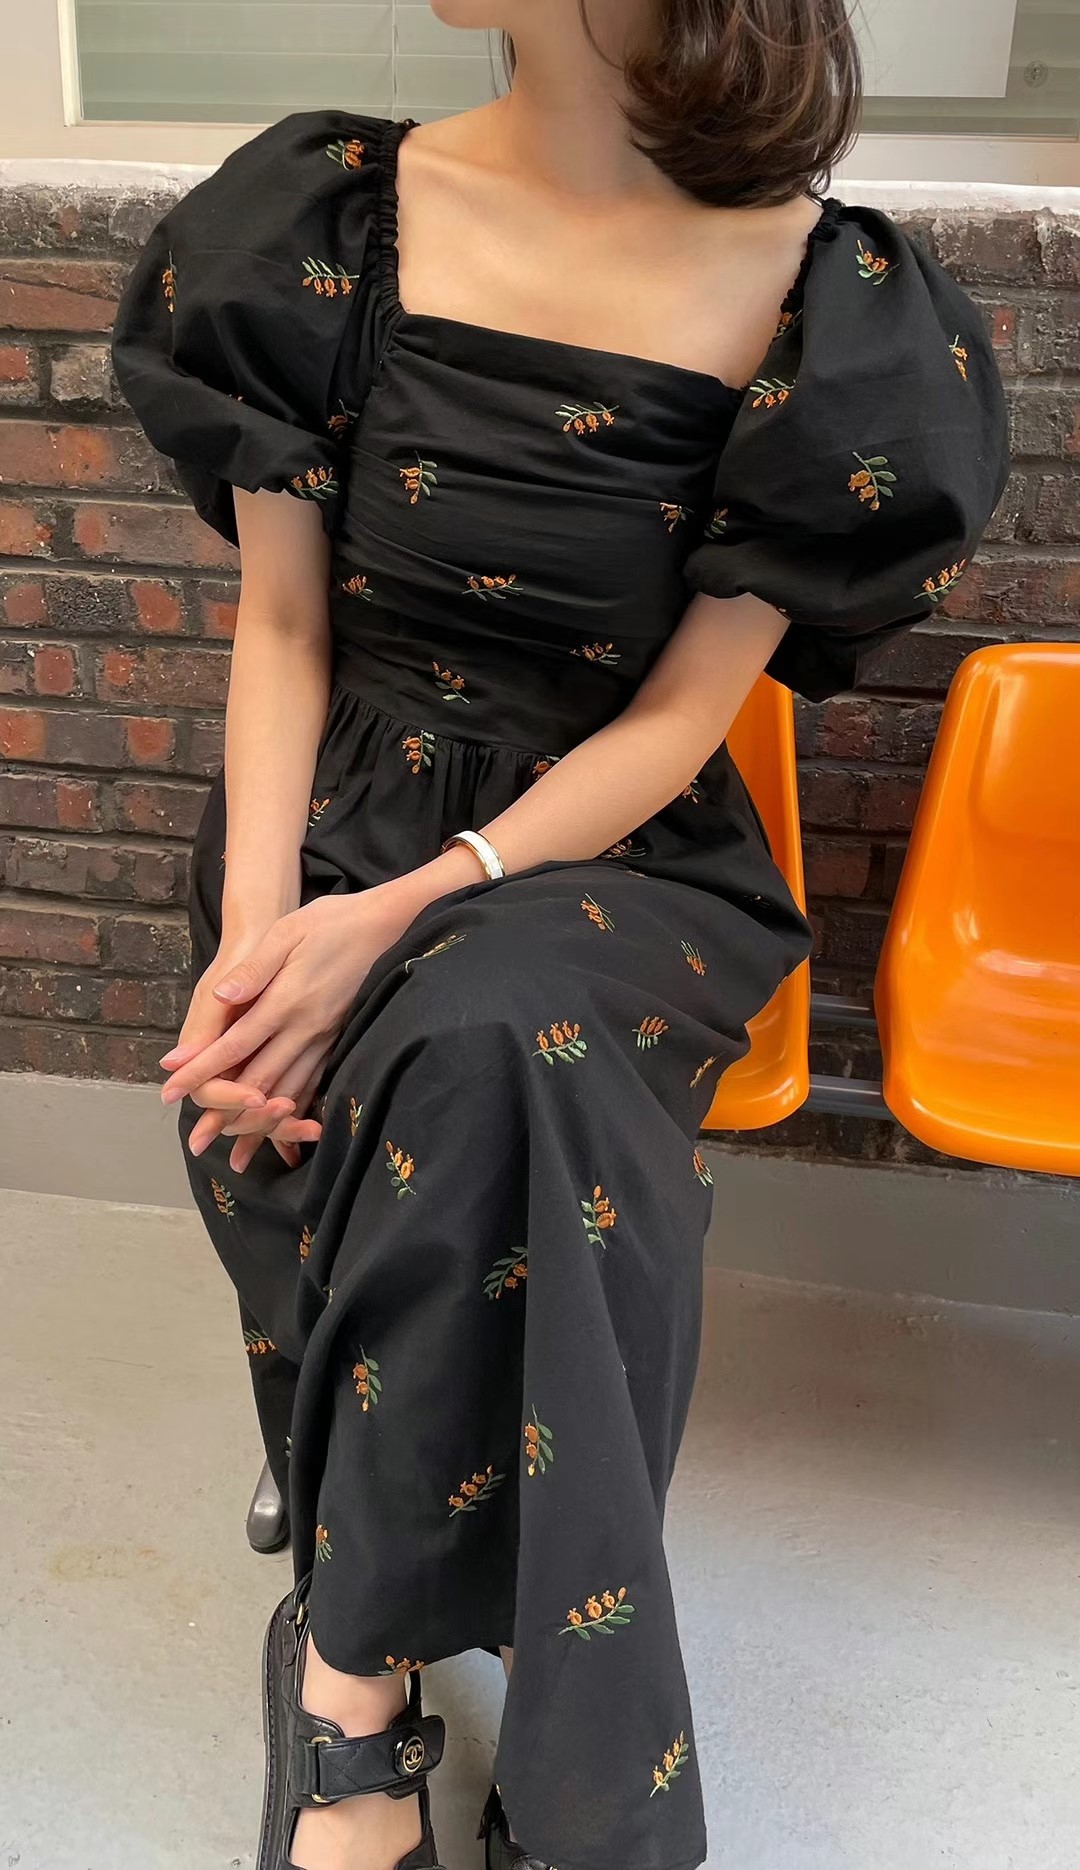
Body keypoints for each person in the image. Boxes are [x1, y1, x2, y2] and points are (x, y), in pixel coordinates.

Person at [109, 2, 1010, 1866]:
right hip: (325, 815)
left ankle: (347, 1681)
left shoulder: (828, 304)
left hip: (617, 850)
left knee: (490, 1034)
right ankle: (501, 1699)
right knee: (438, 1073)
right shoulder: (325, 220)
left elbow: (680, 722)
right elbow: (283, 627)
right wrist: (266, 929)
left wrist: (413, 907)